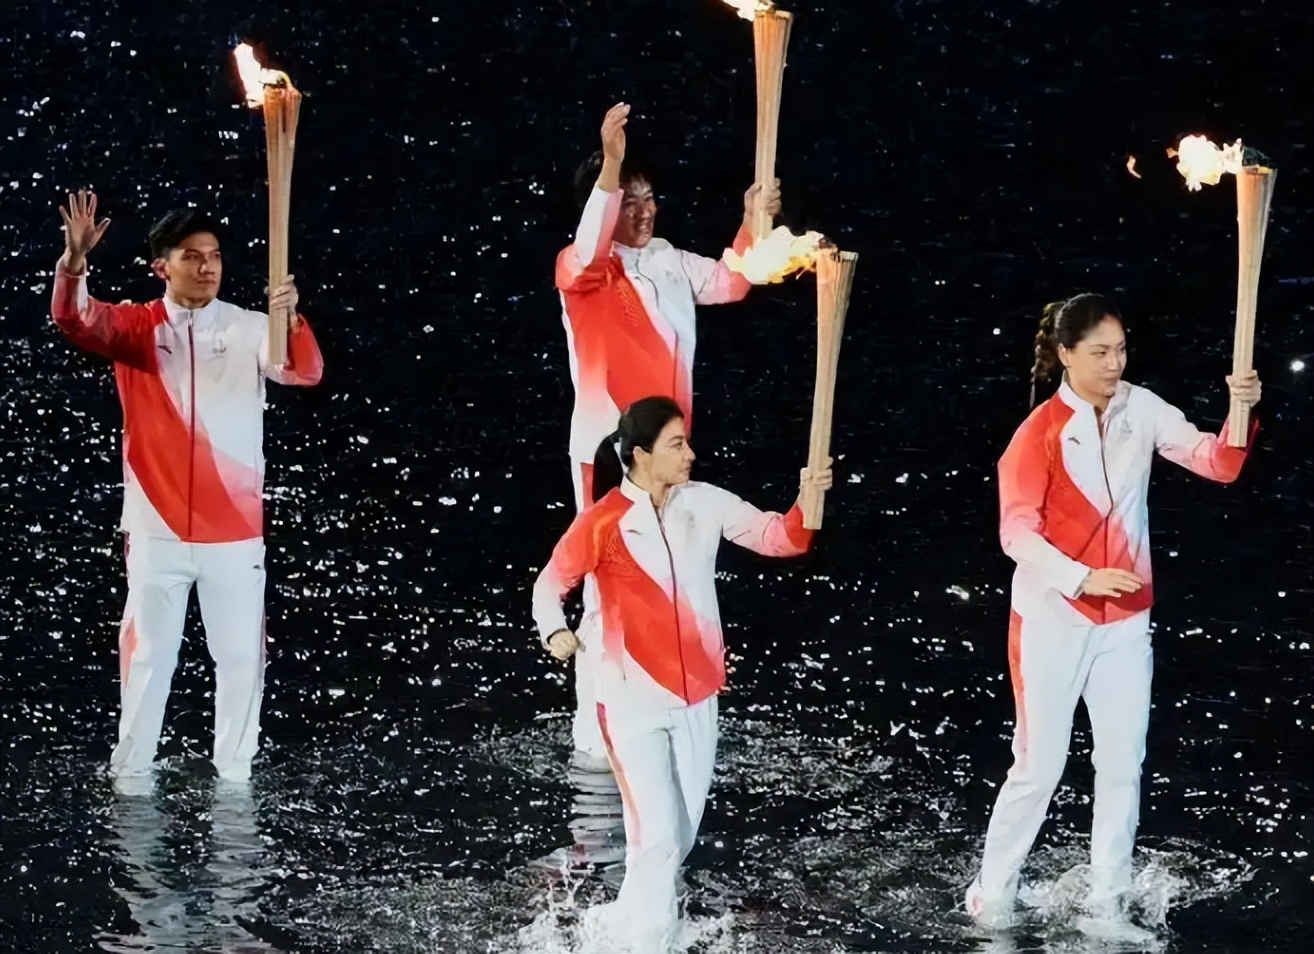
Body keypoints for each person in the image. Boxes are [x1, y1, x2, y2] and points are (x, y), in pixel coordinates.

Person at [965, 294, 1261, 932]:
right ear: (1065, 355)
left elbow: (1220, 464)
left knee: (1123, 764)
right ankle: (992, 893)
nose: (1113, 364)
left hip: (1125, 622)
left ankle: (1108, 903)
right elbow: (1016, 534)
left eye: (1121, 350)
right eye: (1099, 352)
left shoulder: (1141, 409)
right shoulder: (1037, 435)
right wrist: (1082, 577)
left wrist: (1240, 410)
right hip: (1051, 622)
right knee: (1039, 767)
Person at [532, 396, 832, 950]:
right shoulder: (603, 523)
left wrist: (807, 501)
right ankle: (649, 942)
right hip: (630, 702)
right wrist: (554, 631)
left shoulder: (705, 504)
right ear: (641, 455)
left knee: (678, 838)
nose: (690, 454)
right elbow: (549, 583)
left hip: (697, 700)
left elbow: (780, 538)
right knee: (659, 838)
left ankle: (613, 930)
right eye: (676, 444)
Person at [50, 190, 324, 785]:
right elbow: (75, 318)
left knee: (242, 659)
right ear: (162, 266)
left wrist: (291, 321)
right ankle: (131, 778)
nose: (207, 267)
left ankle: (235, 780)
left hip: (235, 533)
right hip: (156, 529)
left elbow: (303, 372)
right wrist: (73, 263)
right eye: (192, 256)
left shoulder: (252, 328)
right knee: (149, 657)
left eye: (215, 256)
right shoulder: (135, 329)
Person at [555, 102, 783, 766]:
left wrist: (752, 219)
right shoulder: (582, 271)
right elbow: (592, 237)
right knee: (607, 580)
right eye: (628, 202)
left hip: (666, 455)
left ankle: (661, 704)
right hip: (607, 452)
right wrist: (611, 164)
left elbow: (734, 283)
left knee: (669, 569)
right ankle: (596, 737)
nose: (643, 212)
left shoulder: (668, 261)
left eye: (649, 199)